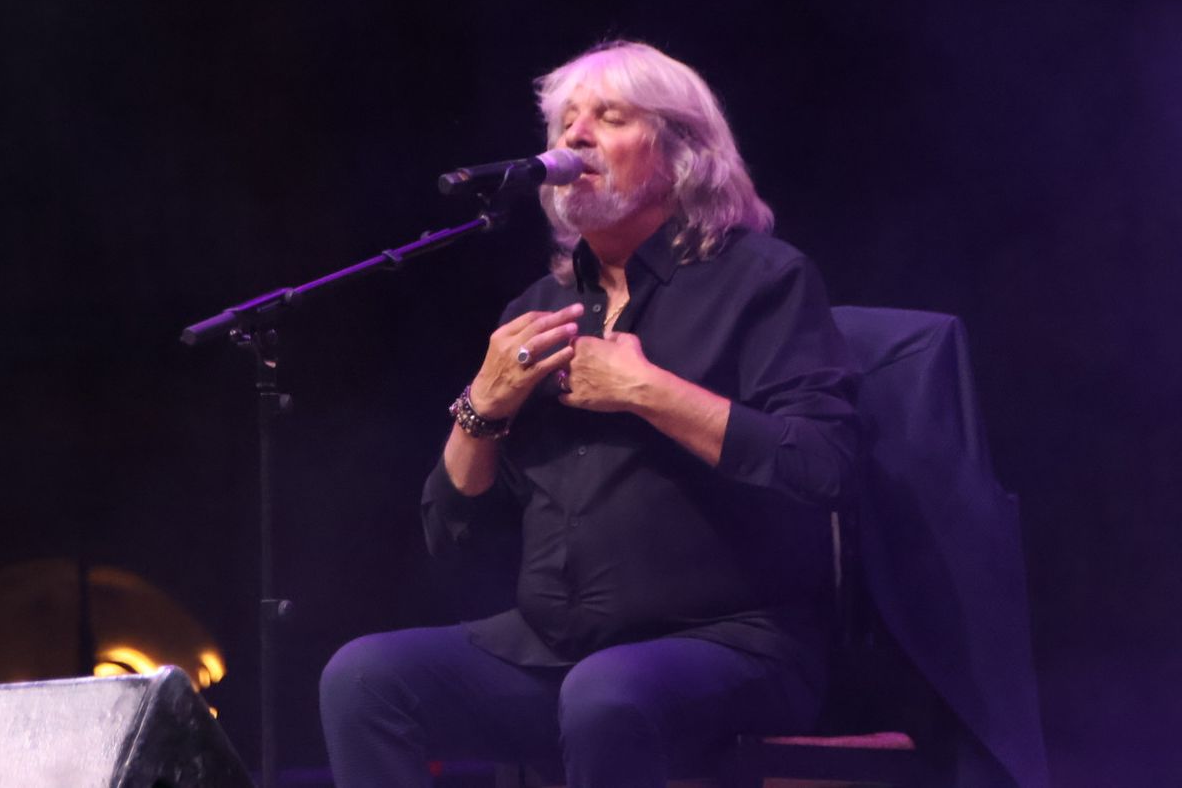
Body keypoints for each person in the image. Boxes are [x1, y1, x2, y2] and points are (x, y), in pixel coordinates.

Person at [319, 41, 860, 787]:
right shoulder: (537, 312)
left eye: (608, 117)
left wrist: (647, 389)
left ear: (683, 154)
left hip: (733, 643)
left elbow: (821, 464)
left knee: (606, 693)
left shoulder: (764, 281)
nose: (574, 138)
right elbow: (454, 531)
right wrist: (482, 405)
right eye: (564, 123)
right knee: (365, 679)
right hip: (556, 653)